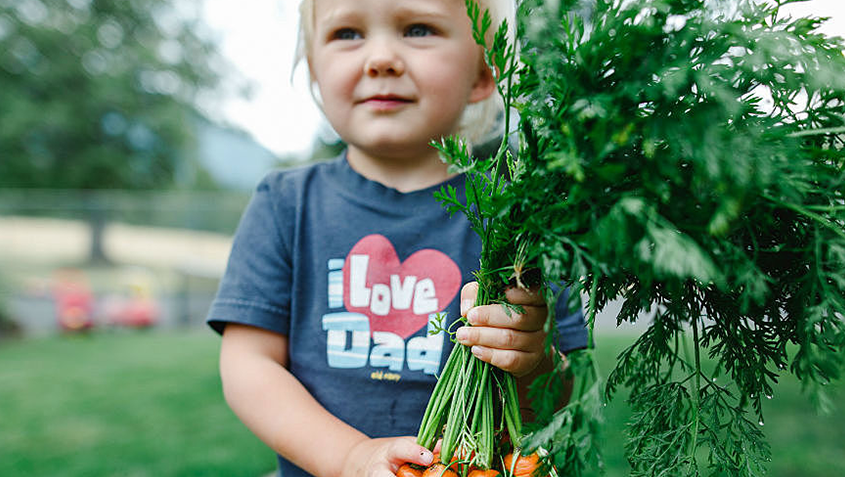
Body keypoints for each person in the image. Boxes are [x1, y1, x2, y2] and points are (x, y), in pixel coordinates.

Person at [206, 0, 588, 476]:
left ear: (484, 74)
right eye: (347, 33)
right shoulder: (286, 204)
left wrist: (530, 362)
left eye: (418, 28)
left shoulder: (520, 213)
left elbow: (562, 395)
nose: (380, 58)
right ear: (312, 69)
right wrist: (348, 457)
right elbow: (249, 370)